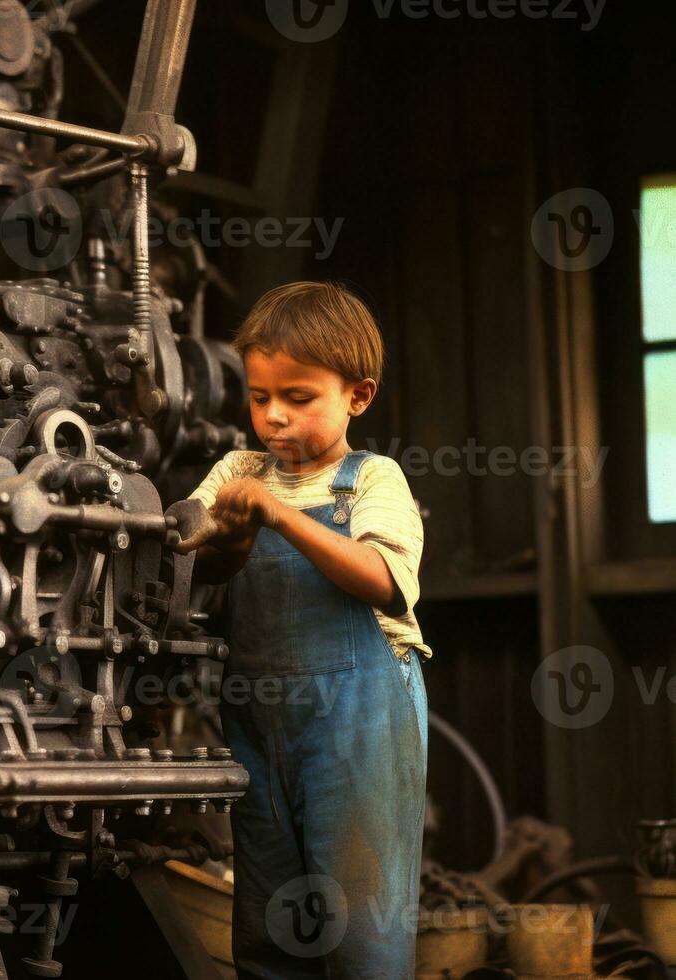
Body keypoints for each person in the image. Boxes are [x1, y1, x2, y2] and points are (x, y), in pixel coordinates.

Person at [172, 281, 430, 978]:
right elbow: (192, 565)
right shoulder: (236, 470)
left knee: (359, 917)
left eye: (297, 397)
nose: (274, 417)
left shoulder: (371, 480)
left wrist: (279, 517)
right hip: (258, 715)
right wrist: (222, 537)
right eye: (260, 398)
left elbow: (382, 580)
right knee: (270, 918)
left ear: (357, 395)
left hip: (361, 719)